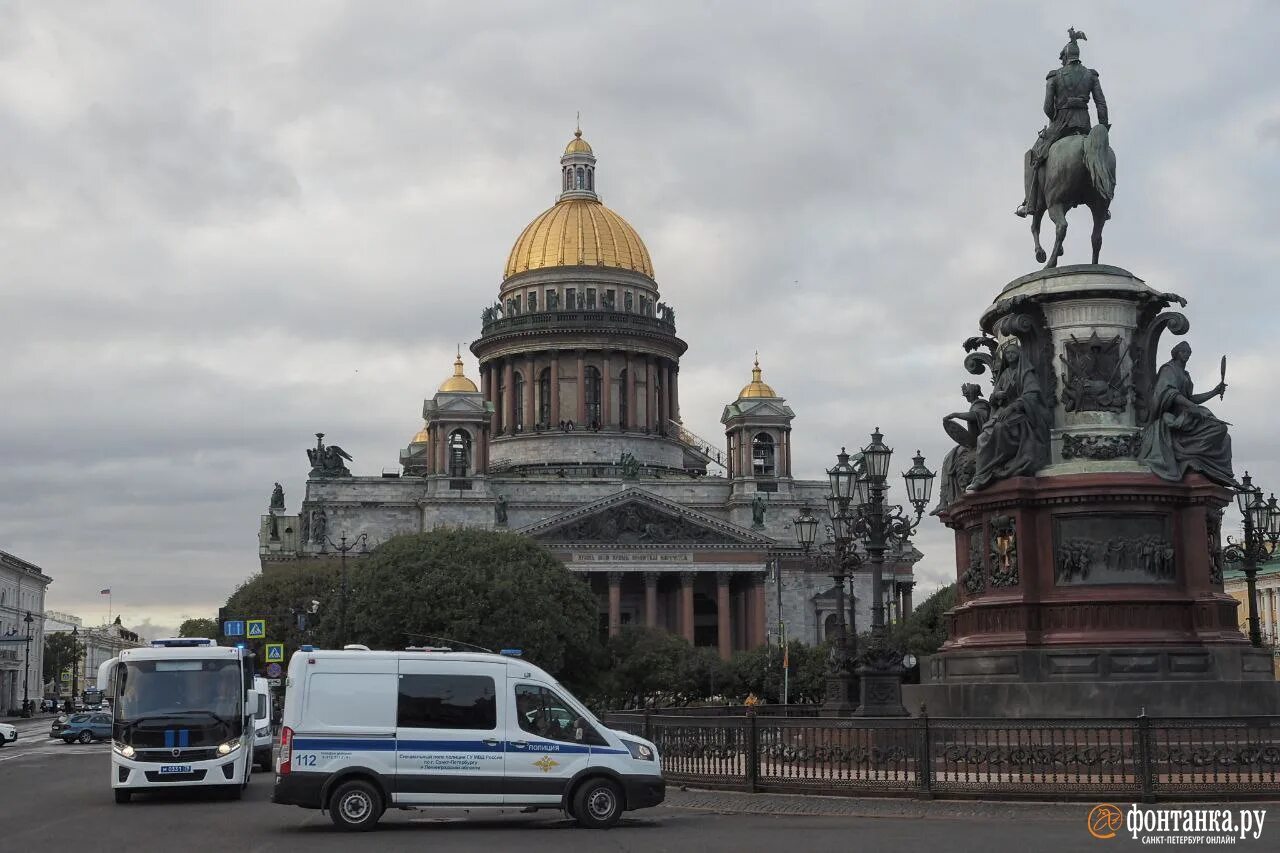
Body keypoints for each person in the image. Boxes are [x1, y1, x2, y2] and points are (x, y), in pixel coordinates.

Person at [1016, 28, 1109, 218]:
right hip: (1084, 125)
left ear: (1065, 58)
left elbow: (1047, 107)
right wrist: (1103, 127)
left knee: (1034, 156)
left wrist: (1054, 119)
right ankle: (1103, 205)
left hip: (1061, 124)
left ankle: (1029, 204)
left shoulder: (1054, 76)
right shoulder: (1091, 76)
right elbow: (1101, 104)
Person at [1138, 342, 1233, 485]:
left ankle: (1195, 457)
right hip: (1174, 416)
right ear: (1176, 353)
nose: (1187, 355)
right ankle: (1189, 456)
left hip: (1187, 414)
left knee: (1224, 436)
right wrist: (1191, 406)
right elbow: (1169, 392)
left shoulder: (1185, 375)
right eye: (1183, 352)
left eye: (1189, 352)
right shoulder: (1168, 369)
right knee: (1219, 428)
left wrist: (1214, 392)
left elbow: (1191, 398)